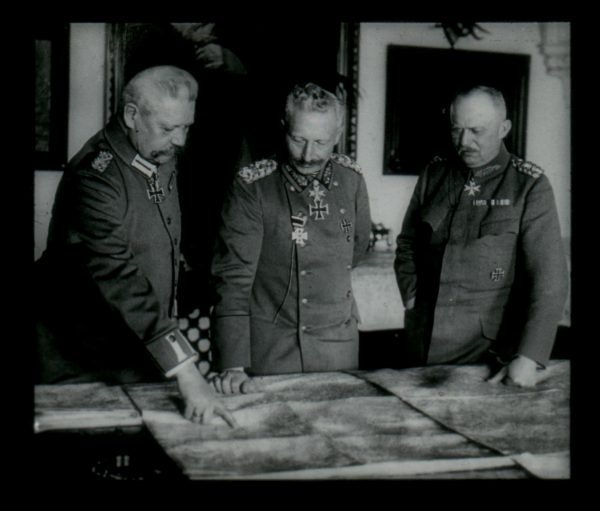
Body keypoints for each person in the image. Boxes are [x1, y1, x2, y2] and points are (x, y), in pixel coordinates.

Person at [34, 65, 236, 426]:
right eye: (169, 129)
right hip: (80, 361)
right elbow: (120, 276)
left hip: (136, 351)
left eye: (186, 127)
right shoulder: (94, 178)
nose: (181, 141)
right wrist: (187, 371)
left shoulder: (156, 150)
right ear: (131, 115)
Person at [394, 85, 569, 387]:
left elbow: (550, 282)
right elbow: (408, 243)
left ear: (504, 128)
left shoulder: (529, 186)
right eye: (456, 129)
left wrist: (528, 357)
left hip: (488, 352)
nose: (464, 142)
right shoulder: (435, 174)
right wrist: (412, 297)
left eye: (476, 130)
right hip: (422, 342)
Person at [209, 80, 372, 394]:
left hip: (338, 345)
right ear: (283, 126)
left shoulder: (351, 179)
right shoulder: (253, 186)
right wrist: (232, 363)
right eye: (298, 139)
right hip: (273, 347)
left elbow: (357, 248)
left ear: (338, 135)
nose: (308, 155)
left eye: (321, 142)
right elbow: (232, 277)